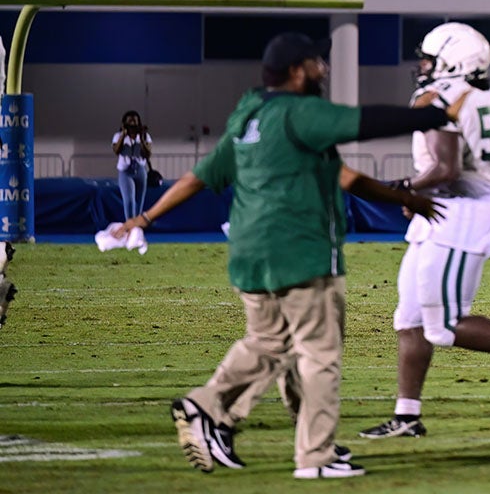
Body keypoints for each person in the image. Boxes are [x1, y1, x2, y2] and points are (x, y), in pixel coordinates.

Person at [111, 32, 471, 479]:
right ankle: (312, 456)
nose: (323, 68)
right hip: (300, 252)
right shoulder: (302, 113)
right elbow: (367, 121)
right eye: (317, 62)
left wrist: (144, 217)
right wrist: (437, 114)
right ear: (298, 70)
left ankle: (216, 414)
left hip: (249, 254)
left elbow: (201, 176)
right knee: (319, 355)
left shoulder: (248, 115)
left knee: (271, 345)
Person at [358, 23, 490, 440]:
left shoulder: (447, 96)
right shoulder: (481, 94)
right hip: (444, 210)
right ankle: (407, 417)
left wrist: (401, 188)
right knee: (409, 319)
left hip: (458, 216)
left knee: (442, 326)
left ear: (453, 60)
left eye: (430, 58)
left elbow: (446, 168)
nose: (422, 66)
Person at [112, 111, 152, 221]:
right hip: (125, 171)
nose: (132, 124)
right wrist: (123, 135)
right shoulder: (118, 136)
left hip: (140, 170)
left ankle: (135, 229)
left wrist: (142, 138)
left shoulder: (144, 136)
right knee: (129, 201)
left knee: (139, 203)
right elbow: (116, 150)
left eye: (135, 121)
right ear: (124, 123)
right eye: (130, 121)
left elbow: (148, 153)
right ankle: (129, 227)